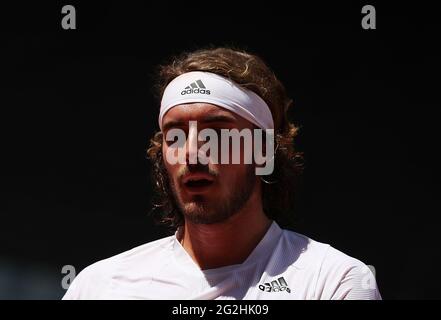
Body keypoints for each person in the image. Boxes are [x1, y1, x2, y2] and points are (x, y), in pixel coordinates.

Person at [63, 47, 381, 300]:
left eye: (216, 133)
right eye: (175, 135)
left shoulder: (336, 282)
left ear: (263, 151)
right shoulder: (98, 287)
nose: (192, 152)